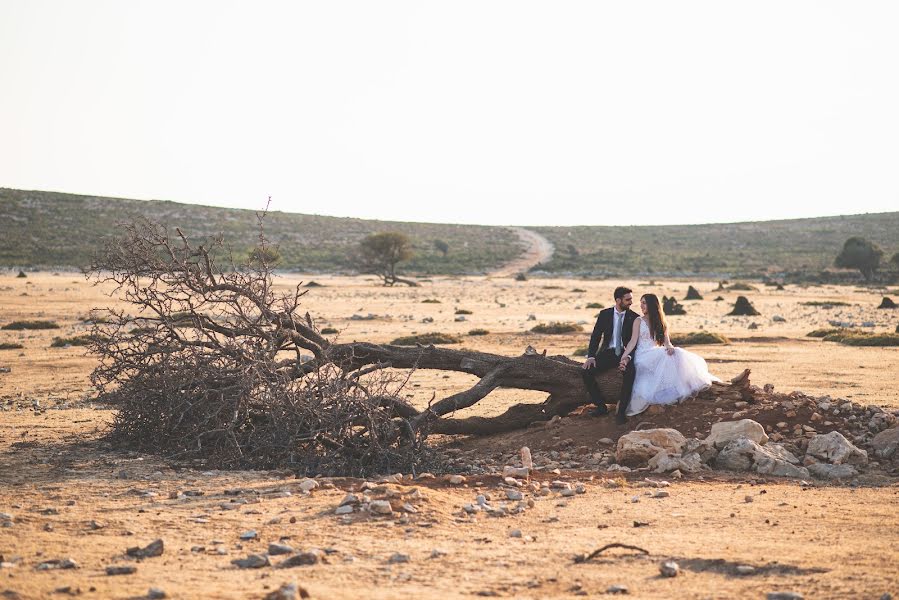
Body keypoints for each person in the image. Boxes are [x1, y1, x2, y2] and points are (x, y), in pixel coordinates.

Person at [617, 293, 719, 416]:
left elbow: (667, 342)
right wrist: (625, 355)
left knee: (676, 353)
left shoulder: (660, 321)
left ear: (652, 305)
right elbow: (633, 341)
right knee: (664, 355)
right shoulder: (638, 321)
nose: (641, 306)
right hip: (643, 355)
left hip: (654, 352)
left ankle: (683, 384)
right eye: (641, 303)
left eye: (644, 303)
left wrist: (670, 347)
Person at [581, 286, 640, 424]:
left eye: (631, 299)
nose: (631, 302)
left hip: (626, 353)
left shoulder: (635, 318)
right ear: (618, 300)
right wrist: (591, 356)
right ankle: (601, 406)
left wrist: (627, 357)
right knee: (586, 372)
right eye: (627, 300)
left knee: (630, 375)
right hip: (608, 352)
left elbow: (634, 342)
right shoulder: (604, 314)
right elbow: (596, 336)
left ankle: (621, 412)